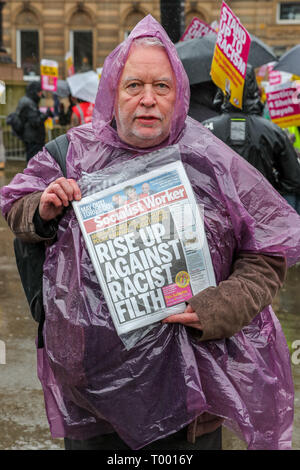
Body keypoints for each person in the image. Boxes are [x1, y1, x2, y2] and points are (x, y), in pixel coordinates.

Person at [1, 15, 300, 451]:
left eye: (161, 86)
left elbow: (267, 254)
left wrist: (219, 308)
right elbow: (16, 205)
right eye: (133, 85)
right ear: (112, 92)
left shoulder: (210, 162)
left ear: (178, 95)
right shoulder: (69, 153)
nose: (147, 99)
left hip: (192, 399)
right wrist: (43, 208)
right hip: (96, 400)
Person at [202, 65, 300, 215]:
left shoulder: (205, 129)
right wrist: (271, 193)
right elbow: (293, 179)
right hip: (263, 215)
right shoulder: (272, 131)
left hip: (220, 216)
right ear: (254, 88)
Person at [14, 81, 52, 162]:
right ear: (35, 92)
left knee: (33, 163)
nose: (41, 94)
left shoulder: (29, 102)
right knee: (33, 163)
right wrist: (45, 115)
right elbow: (35, 122)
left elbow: (33, 117)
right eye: (39, 92)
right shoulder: (28, 103)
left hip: (33, 138)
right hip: (33, 140)